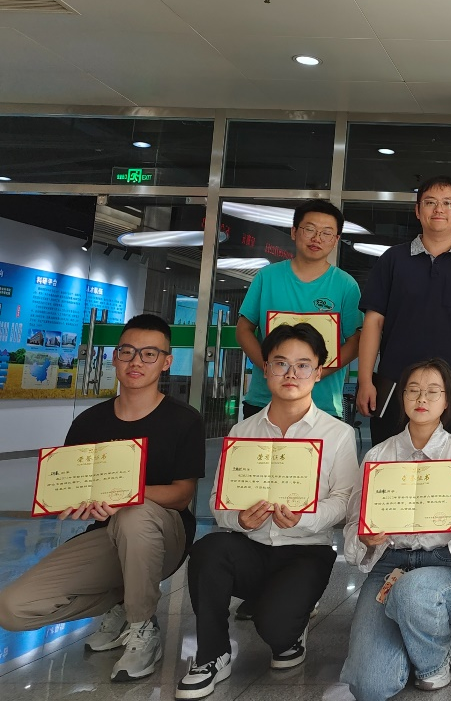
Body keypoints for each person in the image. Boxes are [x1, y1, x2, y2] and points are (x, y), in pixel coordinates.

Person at [0, 314, 203, 683]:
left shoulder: (184, 420)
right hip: (106, 536)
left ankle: (142, 627)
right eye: (127, 351)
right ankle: (125, 601)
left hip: (165, 536)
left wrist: (125, 495)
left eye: (149, 354)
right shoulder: (89, 422)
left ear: (166, 362)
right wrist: (73, 503)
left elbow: (181, 495)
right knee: (13, 608)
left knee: (134, 514)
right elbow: (70, 490)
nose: (136, 361)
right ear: (114, 357)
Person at [177, 323, 358, 699]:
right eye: (280, 363)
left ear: (318, 372)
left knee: (276, 631)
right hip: (250, 547)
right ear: (265, 369)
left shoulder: (337, 434)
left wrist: (305, 517)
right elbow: (219, 501)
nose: (291, 373)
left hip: (305, 550)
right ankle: (212, 654)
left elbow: (344, 500)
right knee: (208, 550)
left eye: (303, 365)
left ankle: (290, 622)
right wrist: (238, 519)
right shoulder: (242, 431)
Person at [341, 358, 451, 699]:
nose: (421, 398)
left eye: (433, 391)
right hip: (387, 567)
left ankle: (434, 661)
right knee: (370, 686)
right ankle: (412, 638)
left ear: (447, 401)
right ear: (402, 398)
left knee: (413, 594)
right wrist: (365, 538)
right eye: (413, 390)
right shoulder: (377, 457)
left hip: (444, 569)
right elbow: (353, 529)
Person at [356, 176, 451, 446]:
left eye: (448, 203)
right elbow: (373, 323)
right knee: (389, 462)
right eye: (430, 202)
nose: (439, 209)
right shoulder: (393, 259)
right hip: (393, 385)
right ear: (418, 211)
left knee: (450, 465)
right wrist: (365, 380)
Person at [237, 199, 364, 421]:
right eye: (309, 229)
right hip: (264, 401)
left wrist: (316, 374)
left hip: (322, 404)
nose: (317, 238)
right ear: (294, 232)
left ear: (336, 240)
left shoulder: (346, 285)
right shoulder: (268, 277)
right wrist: (268, 368)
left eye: (326, 233)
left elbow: (355, 342)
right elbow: (243, 329)